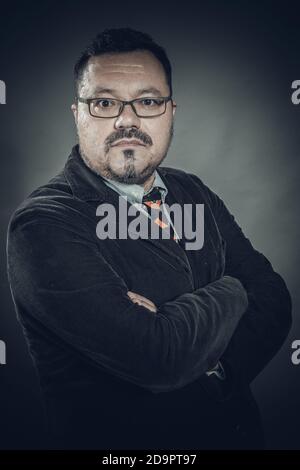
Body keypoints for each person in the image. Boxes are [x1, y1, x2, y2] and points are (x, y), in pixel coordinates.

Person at [6, 27, 292, 450]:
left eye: (148, 101)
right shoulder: (42, 225)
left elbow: (274, 300)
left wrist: (217, 371)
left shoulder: (192, 191)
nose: (127, 120)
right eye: (104, 102)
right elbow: (159, 357)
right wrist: (234, 289)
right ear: (77, 114)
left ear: (171, 111)